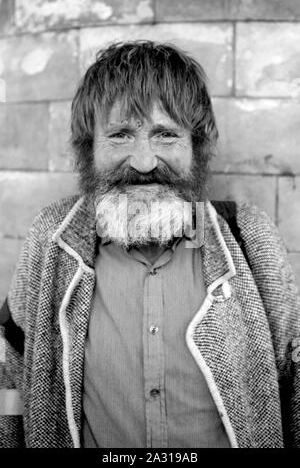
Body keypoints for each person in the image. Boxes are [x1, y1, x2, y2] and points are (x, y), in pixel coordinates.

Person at [0, 40, 299, 449]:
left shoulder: (249, 236)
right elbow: (10, 372)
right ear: (89, 149)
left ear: (198, 148)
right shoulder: (50, 239)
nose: (143, 161)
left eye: (165, 134)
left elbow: (295, 377)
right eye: (121, 134)